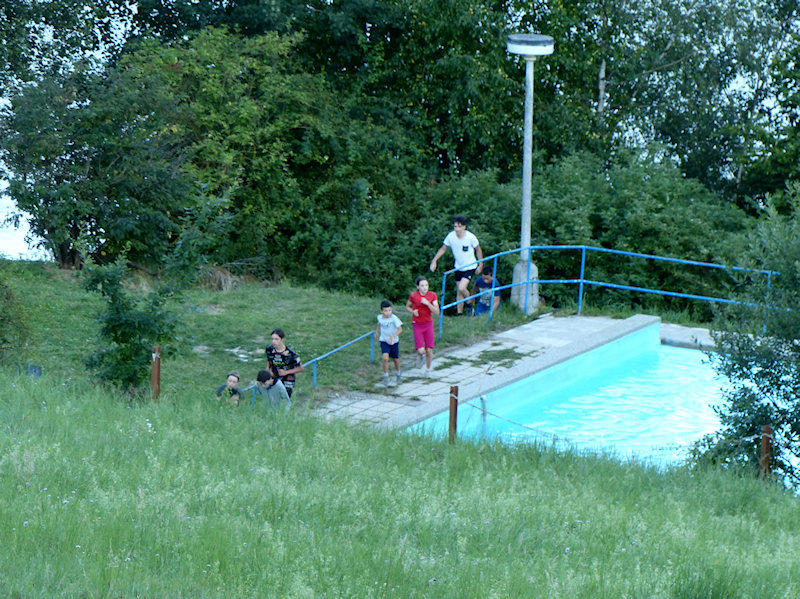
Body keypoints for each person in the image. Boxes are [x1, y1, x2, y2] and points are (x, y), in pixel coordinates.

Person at [429, 214, 483, 315]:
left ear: (464, 227)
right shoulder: (451, 236)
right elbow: (443, 248)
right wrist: (434, 260)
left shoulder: (470, 237)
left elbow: (478, 249)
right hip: (458, 266)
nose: (457, 229)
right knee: (459, 291)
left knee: (462, 288)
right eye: (455, 226)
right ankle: (459, 313)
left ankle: (469, 304)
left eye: (459, 226)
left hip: (470, 266)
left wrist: (480, 264)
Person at [405, 275, 440, 378]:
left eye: (426, 285)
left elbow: (437, 312)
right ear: (418, 287)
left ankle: (428, 370)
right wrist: (413, 311)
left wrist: (428, 303)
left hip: (428, 323)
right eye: (422, 286)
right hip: (417, 324)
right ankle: (421, 355)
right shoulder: (413, 296)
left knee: (429, 349)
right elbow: (407, 306)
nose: (425, 288)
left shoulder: (432, 295)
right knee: (421, 350)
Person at [264, 328, 304, 400]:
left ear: (282, 339)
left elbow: (300, 368)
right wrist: (268, 370)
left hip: (287, 379)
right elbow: (269, 360)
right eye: (272, 339)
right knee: (273, 397)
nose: (274, 341)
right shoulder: (269, 349)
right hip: (275, 376)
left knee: (285, 398)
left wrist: (286, 372)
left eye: (276, 339)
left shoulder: (291, 354)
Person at [375, 300, 403, 386]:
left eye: (389, 310)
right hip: (384, 340)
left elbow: (400, 329)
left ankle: (398, 373)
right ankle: (386, 375)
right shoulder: (379, 317)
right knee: (385, 358)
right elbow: (379, 324)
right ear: (381, 311)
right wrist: (377, 332)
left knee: (395, 359)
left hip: (394, 342)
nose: (388, 312)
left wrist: (393, 337)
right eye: (386, 311)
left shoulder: (394, 318)